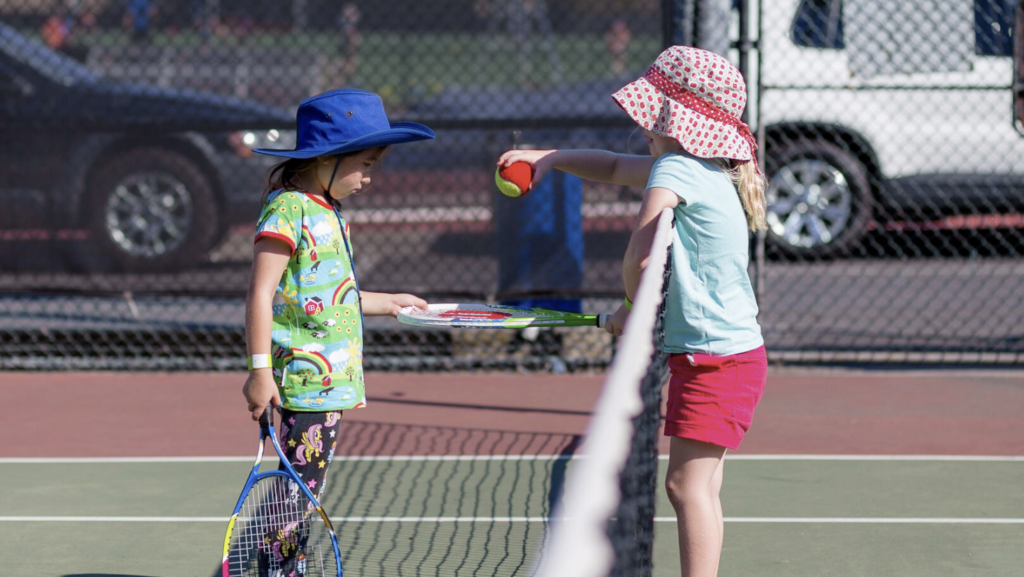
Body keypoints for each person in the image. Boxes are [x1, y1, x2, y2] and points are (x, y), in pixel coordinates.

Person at [497, 46, 767, 577]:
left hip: (717, 360)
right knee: (700, 487)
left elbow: (640, 256)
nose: (646, 128)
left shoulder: (676, 168)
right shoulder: (703, 166)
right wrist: (550, 157)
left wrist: (629, 310)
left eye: (654, 117)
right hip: (726, 356)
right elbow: (617, 166)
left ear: (678, 122)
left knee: (686, 488)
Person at [242, 89, 434, 574]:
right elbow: (261, 294)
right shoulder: (289, 210)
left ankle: (280, 567)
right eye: (365, 164)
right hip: (304, 388)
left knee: (302, 492)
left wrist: (388, 303)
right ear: (327, 157)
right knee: (296, 494)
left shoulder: (331, 213)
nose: (369, 177)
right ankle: (279, 570)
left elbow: (330, 297)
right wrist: (260, 373)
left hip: (333, 388)